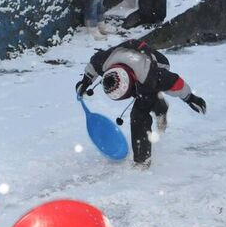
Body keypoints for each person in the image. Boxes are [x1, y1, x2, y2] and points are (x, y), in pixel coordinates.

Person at [75, 38, 206, 167]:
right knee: (147, 98)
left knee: (139, 114)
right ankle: (160, 106)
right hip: (131, 59)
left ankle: (142, 160)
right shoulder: (104, 62)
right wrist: (85, 81)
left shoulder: (152, 76)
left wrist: (190, 98)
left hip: (157, 63)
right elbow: (93, 65)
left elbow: (176, 83)